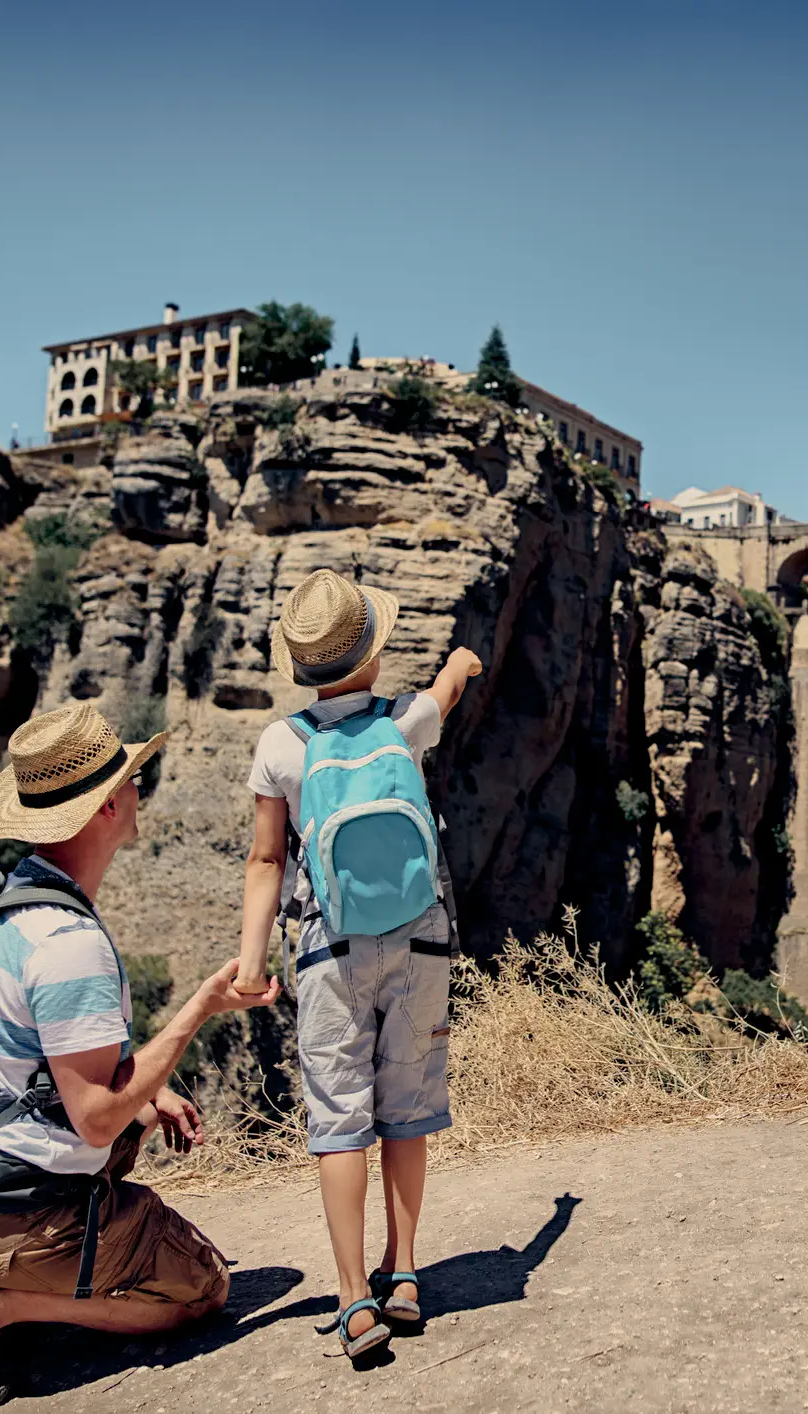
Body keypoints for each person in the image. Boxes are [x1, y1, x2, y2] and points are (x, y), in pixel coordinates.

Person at [0, 701, 280, 1414]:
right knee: (203, 1291)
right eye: (132, 780)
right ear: (108, 806)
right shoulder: (68, 943)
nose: (140, 791)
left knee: (138, 1108)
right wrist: (198, 1010)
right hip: (13, 1214)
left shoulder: (4, 905)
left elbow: (22, 1063)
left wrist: (146, 1091)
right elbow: (97, 1122)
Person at [234, 568, 482, 1359]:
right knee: (407, 1109)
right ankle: (403, 1273)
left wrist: (248, 966)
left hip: (329, 949)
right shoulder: (406, 719)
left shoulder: (282, 743)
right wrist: (464, 662)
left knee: (340, 1120)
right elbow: (447, 687)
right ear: (371, 658)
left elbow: (265, 860)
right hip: (421, 938)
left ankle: (351, 1301)